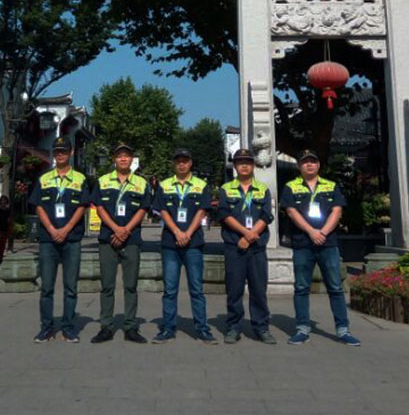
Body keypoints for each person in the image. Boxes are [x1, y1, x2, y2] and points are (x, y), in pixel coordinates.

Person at [280, 149, 361, 346]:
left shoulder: (330, 186)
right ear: (299, 166)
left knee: (335, 287)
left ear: (318, 165)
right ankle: (302, 328)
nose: (309, 165)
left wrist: (322, 232)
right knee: (301, 287)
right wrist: (311, 232)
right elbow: (291, 212)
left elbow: (337, 211)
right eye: (305, 162)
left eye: (313, 161)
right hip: (303, 243)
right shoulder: (291, 187)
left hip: (328, 243)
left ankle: (343, 330)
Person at [152, 148, 217, 344]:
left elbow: (202, 211)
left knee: (196, 289)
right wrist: (177, 232)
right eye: (178, 161)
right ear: (174, 163)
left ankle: (202, 329)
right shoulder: (164, 185)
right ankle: (168, 328)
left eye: (185, 161)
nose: (181, 164)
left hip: (193, 243)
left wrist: (187, 233)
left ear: (190, 163)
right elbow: (162, 211)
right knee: (170, 289)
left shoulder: (201, 185)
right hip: (170, 243)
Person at [28, 136, 89, 343]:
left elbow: (82, 207)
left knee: (71, 287)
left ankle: (68, 328)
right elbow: (38, 206)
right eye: (57, 151)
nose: (60, 154)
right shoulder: (44, 179)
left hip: (72, 239)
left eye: (64, 150)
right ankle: (46, 328)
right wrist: (53, 229)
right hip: (48, 239)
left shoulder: (80, 179)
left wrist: (66, 229)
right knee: (46, 287)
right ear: (53, 154)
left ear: (71, 153)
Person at [90, 143, 150, 344]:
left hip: (131, 239)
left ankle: (130, 327)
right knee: (107, 285)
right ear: (114, 159)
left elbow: (143, 209)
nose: (123, 159)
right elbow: (99, 207)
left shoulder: (141, 183)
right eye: (119, 156)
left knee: (130, 285)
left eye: (127, 156)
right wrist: (116, 229)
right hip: (108, 238)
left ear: (132, 159)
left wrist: (125, 230)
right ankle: (106, 326)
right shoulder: (103, 181)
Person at [217, 148, 277, 344]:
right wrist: (244, 233)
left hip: (256, 247)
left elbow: (266, 216)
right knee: (234, 290)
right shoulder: (226, 189)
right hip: (234, 247)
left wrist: (251, 236)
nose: (244, 165)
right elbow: (224, 214)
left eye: (248, 162)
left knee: (259, 290)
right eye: (240, 162)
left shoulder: (262, 189)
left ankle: (261, 327)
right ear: (235, 166)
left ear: (253, 166)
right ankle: (233, 327)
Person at [0, 195, 12, 264]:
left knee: (3, 244)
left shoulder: (8, 210)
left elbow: (9, 219)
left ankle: (0, 257)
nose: (3, 202)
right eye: (2, 200)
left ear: (6, 201)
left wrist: (10, 228)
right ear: (0, 201)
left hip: (5, 229)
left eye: (5, 200)